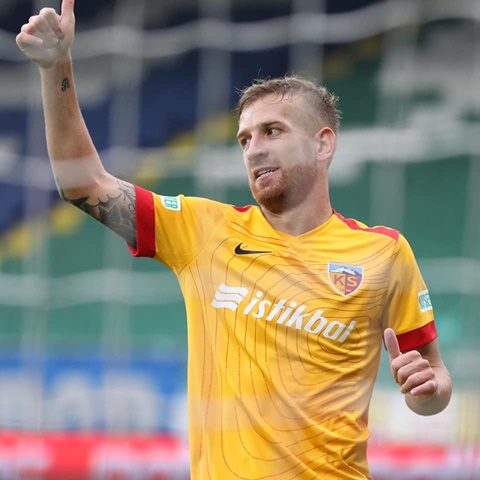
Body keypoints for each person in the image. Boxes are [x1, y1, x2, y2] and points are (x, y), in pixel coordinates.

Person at [16, 1, 452, 478]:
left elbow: (433, 383)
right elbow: (82, 184)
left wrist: (427, 389)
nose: (254, 149)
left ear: (323, 143)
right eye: (245, 139)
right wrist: (55, 68)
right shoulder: (203, 230)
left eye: (272, 131)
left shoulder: (383, 252)